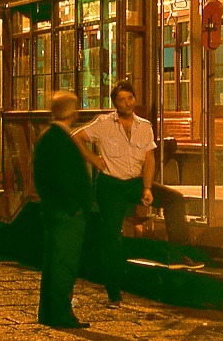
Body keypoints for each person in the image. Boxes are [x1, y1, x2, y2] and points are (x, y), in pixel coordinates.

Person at [74, 80, 202, 309]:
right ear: (115, 103)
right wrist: (93, 159)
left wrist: (147, 188)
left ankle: (179, 254)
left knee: (174, 199)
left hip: (134, 182)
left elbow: (149, 159)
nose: (127, 103)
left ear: (134, 99)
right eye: (121, 100)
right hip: (110, 185)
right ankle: (114, 294)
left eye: (130, 98)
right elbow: (76, 136)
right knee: (112, 238)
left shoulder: (144, 126)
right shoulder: (104, 123)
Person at [32, 91, 93, 329]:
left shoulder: (48, 136)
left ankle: (48, 312)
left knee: (54, 262)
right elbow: (66, 178)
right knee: (64, 264)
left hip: (54, 209)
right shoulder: (62, 139)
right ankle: (61, 314)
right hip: (67, 212)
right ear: (72, 113)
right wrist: (75, 206)